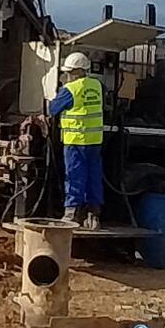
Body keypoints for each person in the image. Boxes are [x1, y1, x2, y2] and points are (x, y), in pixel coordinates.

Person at [42, 51, 107, 229]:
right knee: (93, 176)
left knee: (74, 175)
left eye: (69, 72)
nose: (67, 75)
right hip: (94, 141)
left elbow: (53, 109)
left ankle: (71, 213)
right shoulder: (97, 85)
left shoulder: (70, 90)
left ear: (76, 71)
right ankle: (93, 214)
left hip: (75, 141)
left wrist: (57, 92)